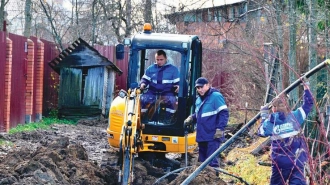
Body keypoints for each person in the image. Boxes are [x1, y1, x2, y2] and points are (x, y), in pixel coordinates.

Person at [257, 78, 313, 185]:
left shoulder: (270, 122)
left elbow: (260, 132)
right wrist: (306, 87)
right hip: (298, 161)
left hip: (280, 164)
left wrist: (263, 115)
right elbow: (308, 104)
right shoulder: (296, 116)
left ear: (273, 109)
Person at [184, 77, 229, 167]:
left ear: (208, 85)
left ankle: (214, 180)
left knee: (212, 161)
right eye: (197, 88)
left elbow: (224, 113)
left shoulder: (216, 96)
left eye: (201, 87)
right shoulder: (198, 100)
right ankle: (204, 180)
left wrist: (220, 129)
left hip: (213, 134)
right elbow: (199, 114)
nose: (199, 89)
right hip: (202, 134)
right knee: (202, 161)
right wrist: (191, 118)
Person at [139, 50, 180, 123]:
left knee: (172, 101)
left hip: (167, 92)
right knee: (143, 99)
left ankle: (168, 120)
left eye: (161, 59)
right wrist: (142, 84)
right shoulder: (151, 69)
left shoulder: (174, 70)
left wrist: (178, 87)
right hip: (152, 91)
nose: (159, 62)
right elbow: (145, 79)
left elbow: (178, 82)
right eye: (157, 60)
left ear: (166, 58)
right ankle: (143, 119)